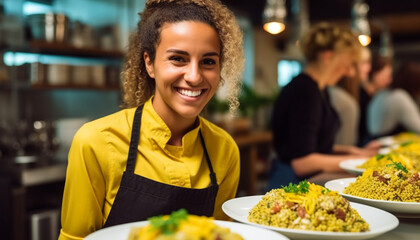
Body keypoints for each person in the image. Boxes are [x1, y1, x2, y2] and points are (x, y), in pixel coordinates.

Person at [58, 0, 244, 239]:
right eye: (178, 58)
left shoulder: (225, 149)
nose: (194, 76)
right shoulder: (96, 142)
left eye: (208, 61)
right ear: (149, 63)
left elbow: (220, 235)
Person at [268, 22, 378, 190]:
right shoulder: (305, 91)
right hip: (291, 185)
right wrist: (362, 162)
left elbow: (312, 145)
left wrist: (354, 152)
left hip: (302, 179)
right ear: (327, 57)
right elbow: (302, 162)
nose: (350, 72)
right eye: (348, 63)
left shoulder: (319, 89)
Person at [367, 61, 420, 138]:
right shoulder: (399, 97)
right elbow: (418, 128)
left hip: (372, 141)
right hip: (382, 145)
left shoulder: (383, 93)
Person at [358, 53, 392, 145]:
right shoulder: (360, 95)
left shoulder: (378, 96)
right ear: (375, 74)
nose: (389, 80)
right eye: (386, 75)